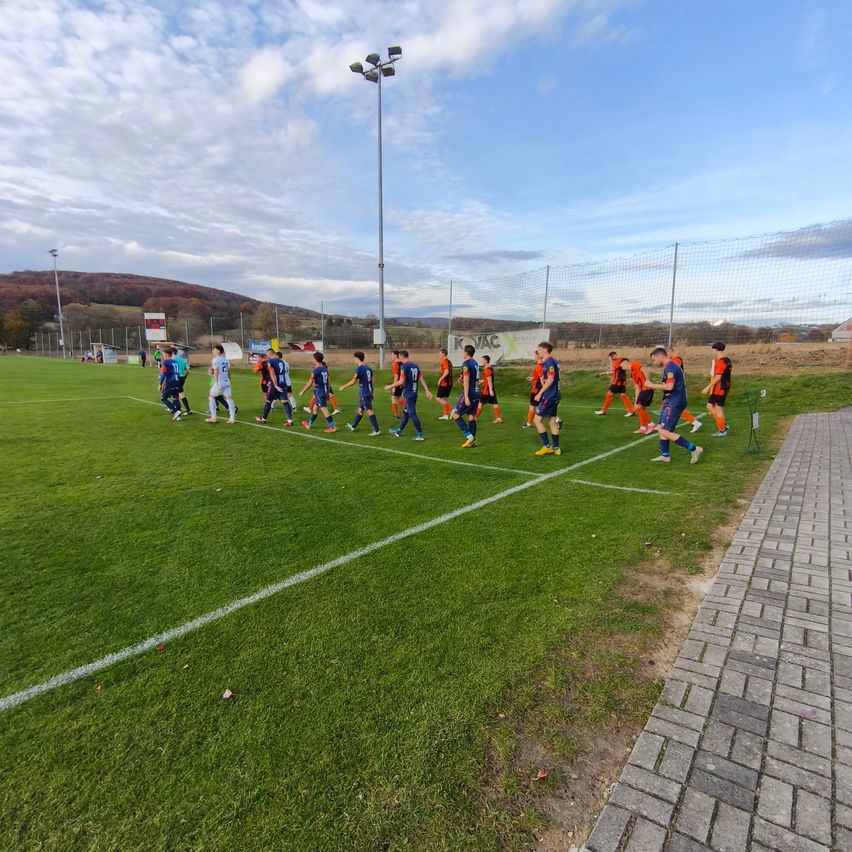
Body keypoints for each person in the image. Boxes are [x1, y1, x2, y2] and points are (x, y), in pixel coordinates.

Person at [646, 347, 703, 464]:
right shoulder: (669, 367)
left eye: (653, 359)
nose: (654, 362)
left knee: (665, 431)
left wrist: (652, 385)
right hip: (670, 400)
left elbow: (670, 387)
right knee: (661, 429)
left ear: (660, 356)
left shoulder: (671, 368)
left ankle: (694, 448)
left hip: (674, 401)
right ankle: (665, 456)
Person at [385, 350, 432, 441]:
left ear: (402, 356)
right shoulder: (415, 366)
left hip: (409, 393)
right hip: (414, 393)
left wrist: (390, 386)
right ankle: (399, 431)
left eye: (399, 356)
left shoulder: (404, 366)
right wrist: (427, 390)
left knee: (412, 413)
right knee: (406, 413)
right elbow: (421, 378)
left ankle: (420, 435)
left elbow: (401, 381)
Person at [339, 351, 381, 435]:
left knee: (369, 411)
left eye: (354, 358)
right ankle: (353, 426)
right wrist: (372, 392)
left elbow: (353, 381)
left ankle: (377, 431)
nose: (354, 360)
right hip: (368, 391)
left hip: (364, 392)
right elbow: (372, 381)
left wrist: (344, 386)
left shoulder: (359, 368)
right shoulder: (368, 368)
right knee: (360, 409)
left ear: (357, 358)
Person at [532, 341, 562, 456]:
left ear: (545, 350)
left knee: (537, 420)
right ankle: (556, 448)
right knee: (552, 421)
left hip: (549, 396)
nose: (538, 352)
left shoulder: (549, 362)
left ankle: (546, 446)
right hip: (555, 395)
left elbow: (550, 379)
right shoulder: (552, 361)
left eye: (539, 349)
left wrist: (540, 393)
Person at [665, 347, 702, 433]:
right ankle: (694, 422)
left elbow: (674, 373)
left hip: (676, 387)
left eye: (667, 354)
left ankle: (694, 422)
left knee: (674, 407)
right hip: (675, 386)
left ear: (671, 352)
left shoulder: (676, 360)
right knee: (669, 406)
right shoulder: (674, 360)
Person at [451, 344, 481, 448]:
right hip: (477, 392)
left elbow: (467, 380)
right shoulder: (476, 363)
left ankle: (469, 436)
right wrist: (462, 380)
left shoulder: (466, 363)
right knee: (471, 417)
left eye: (463, 352)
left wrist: (467, 396)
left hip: (469, 393)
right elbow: (471, 379)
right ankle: (472, 442)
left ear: (466, 353)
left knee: (455, 415)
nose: (463, 354)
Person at [299, 352, 336, 432]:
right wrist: (327, 392)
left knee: (324, 409)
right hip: (324, 391)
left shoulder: (315, 370)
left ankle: (332, 427)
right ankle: (309, 424)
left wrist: (303, 391)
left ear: (315, 359)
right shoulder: (325, 369)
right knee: (315, 409)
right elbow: (328, 382)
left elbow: (310, 382)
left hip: (320, 392)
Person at [702, 341, 732, 437]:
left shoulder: (720, 362)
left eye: (713, 349)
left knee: (717, 408)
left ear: (716, 349)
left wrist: (707, 387)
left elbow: (718, 377)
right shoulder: (727, 360)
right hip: (724, 387)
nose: (712, 351)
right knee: (710, 406)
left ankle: (722, 430)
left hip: (720, 388)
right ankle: (723, 425)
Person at [256, 350, 293, 425]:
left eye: (267, 354)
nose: (267, 356)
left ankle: (263, 419)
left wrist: (275, 385)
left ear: (270, 354)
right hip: (283, 383)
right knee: (285, 402)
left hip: (275, 385)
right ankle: (290, 421)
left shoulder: (271, 362)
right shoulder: (281, 361)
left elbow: (272, 373)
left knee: (268, 401)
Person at [595, 351, 635, 416]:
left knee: (609, 394)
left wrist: (610, 361)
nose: (613, 359)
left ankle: (603, 411)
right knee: (623, 395)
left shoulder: (619, 360)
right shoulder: (621, 361)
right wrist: (605, 373)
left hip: (617, 381)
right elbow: (615, 371)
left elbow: (612, 369)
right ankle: (631, 411)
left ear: (614, 355)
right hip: (622, 381)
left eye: (612, 358)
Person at [206, 343, 236, 424]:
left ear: (218, 351)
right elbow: (228, 371)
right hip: (227, 381)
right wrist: (229, 380)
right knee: (229, 399)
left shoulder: (215, 360)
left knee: (211, 397)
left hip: (220, 382)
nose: (213, 351)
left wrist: (217, 383)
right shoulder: (226, 360)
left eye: (214, 349)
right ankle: (232, 418)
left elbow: (216, 372)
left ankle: (213, 417)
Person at [629, 357, 655, 434]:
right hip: (642, 391)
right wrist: (636, 398)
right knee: (639, 408)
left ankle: (651, 424)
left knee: (638, 408)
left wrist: (648, 381)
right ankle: (643, 428)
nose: (621, 368)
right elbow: (637, 387)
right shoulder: (632, 374)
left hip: (647, 389)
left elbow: (645, 370)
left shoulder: (634, 364)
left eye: (621, 366)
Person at [476, 355, 503, 423]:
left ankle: (475, 418)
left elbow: (489, 380)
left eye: (482, 360)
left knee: (480, 403)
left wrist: (490, 390)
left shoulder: (487, 369)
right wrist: (482, 381)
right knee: (495, 403)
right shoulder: (490, 368)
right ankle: (498, 418)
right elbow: (488, 379)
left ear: (486, 361)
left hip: (487, 390)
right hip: (491, 389)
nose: (481, 361)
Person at [158, 349, 183, 421]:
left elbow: (163, 374)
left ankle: (175, 411)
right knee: (176, 398)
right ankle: (178, 416)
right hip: (177, 381)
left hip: (170, 382)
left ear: (166, 354)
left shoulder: (166, 362)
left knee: (163, 398)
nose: (162, 356)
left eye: (163, 354)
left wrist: (160, 384)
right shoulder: (175, 362)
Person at [523, 353, 544, 429]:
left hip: (536, 390)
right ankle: (557, 420)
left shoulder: (539, 366)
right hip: (539, 389)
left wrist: (543, 389)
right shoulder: (543, 365)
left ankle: (528, 424)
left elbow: (542, 379)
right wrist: (532, 378)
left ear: (538, 356)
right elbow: (540, 378)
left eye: (535, 355)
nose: (534, 356)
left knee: (532, 406)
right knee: (543, 406)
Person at [171, 348, 193, 416]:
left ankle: (184, 410)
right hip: (182, 377)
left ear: (172, 353)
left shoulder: (172, 360)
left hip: (176, 378)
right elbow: (187, 371)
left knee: (179, 393)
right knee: (177, 392)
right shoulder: (182, 360)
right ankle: (174, 408)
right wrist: (185, 377)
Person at [435, 348, 454, 419]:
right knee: (445, 399)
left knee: (438, 398)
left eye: (439, 353)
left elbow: (446, 372)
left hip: (445, 383)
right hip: (449, 383)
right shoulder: (449, 361)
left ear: (443, 354)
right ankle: (446, 415)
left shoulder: (444, 361)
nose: (439, 355)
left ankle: (452, 410)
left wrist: (440, 379)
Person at [389, 350, 403, 419]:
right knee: (397, 398)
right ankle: (407, 408)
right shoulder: (402, 363)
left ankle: (396, 414)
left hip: (397, 383)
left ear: (395, 355)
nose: (391, 356)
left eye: (392, 355)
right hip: (402, 383)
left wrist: (394, 386)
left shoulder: (395, 364)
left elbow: (396, 376)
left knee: (393, 398)